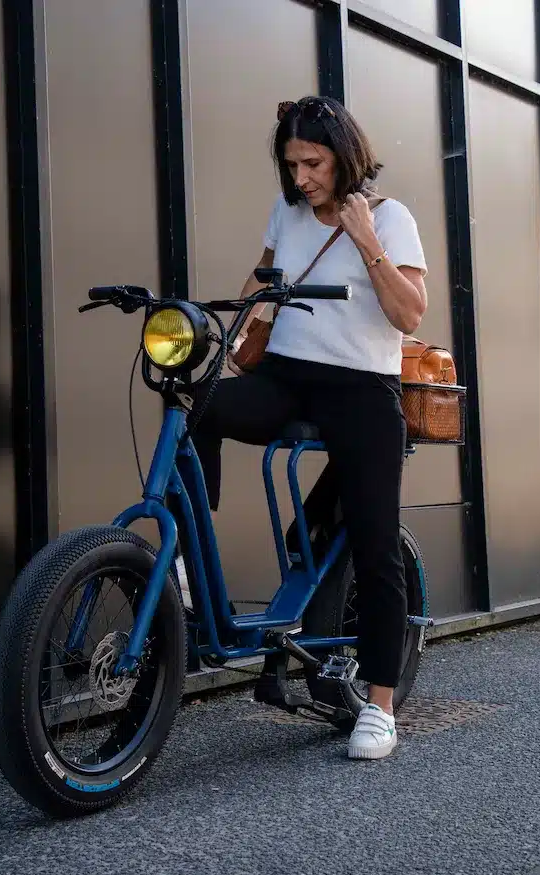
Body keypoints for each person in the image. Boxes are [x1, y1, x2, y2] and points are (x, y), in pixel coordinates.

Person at [192, 95, 428, 761]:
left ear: (344, 155)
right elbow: (265, 276)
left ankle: (379, 706)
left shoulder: (391, 217)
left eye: (313, 163)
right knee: (196, 404)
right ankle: (186, 565)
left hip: (361, 389)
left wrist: (367, 242)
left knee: (375, 543)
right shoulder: (288, 212)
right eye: (292, 164)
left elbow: (409, 315)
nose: (302, 178)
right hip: (289, 378)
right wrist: (235, 330)